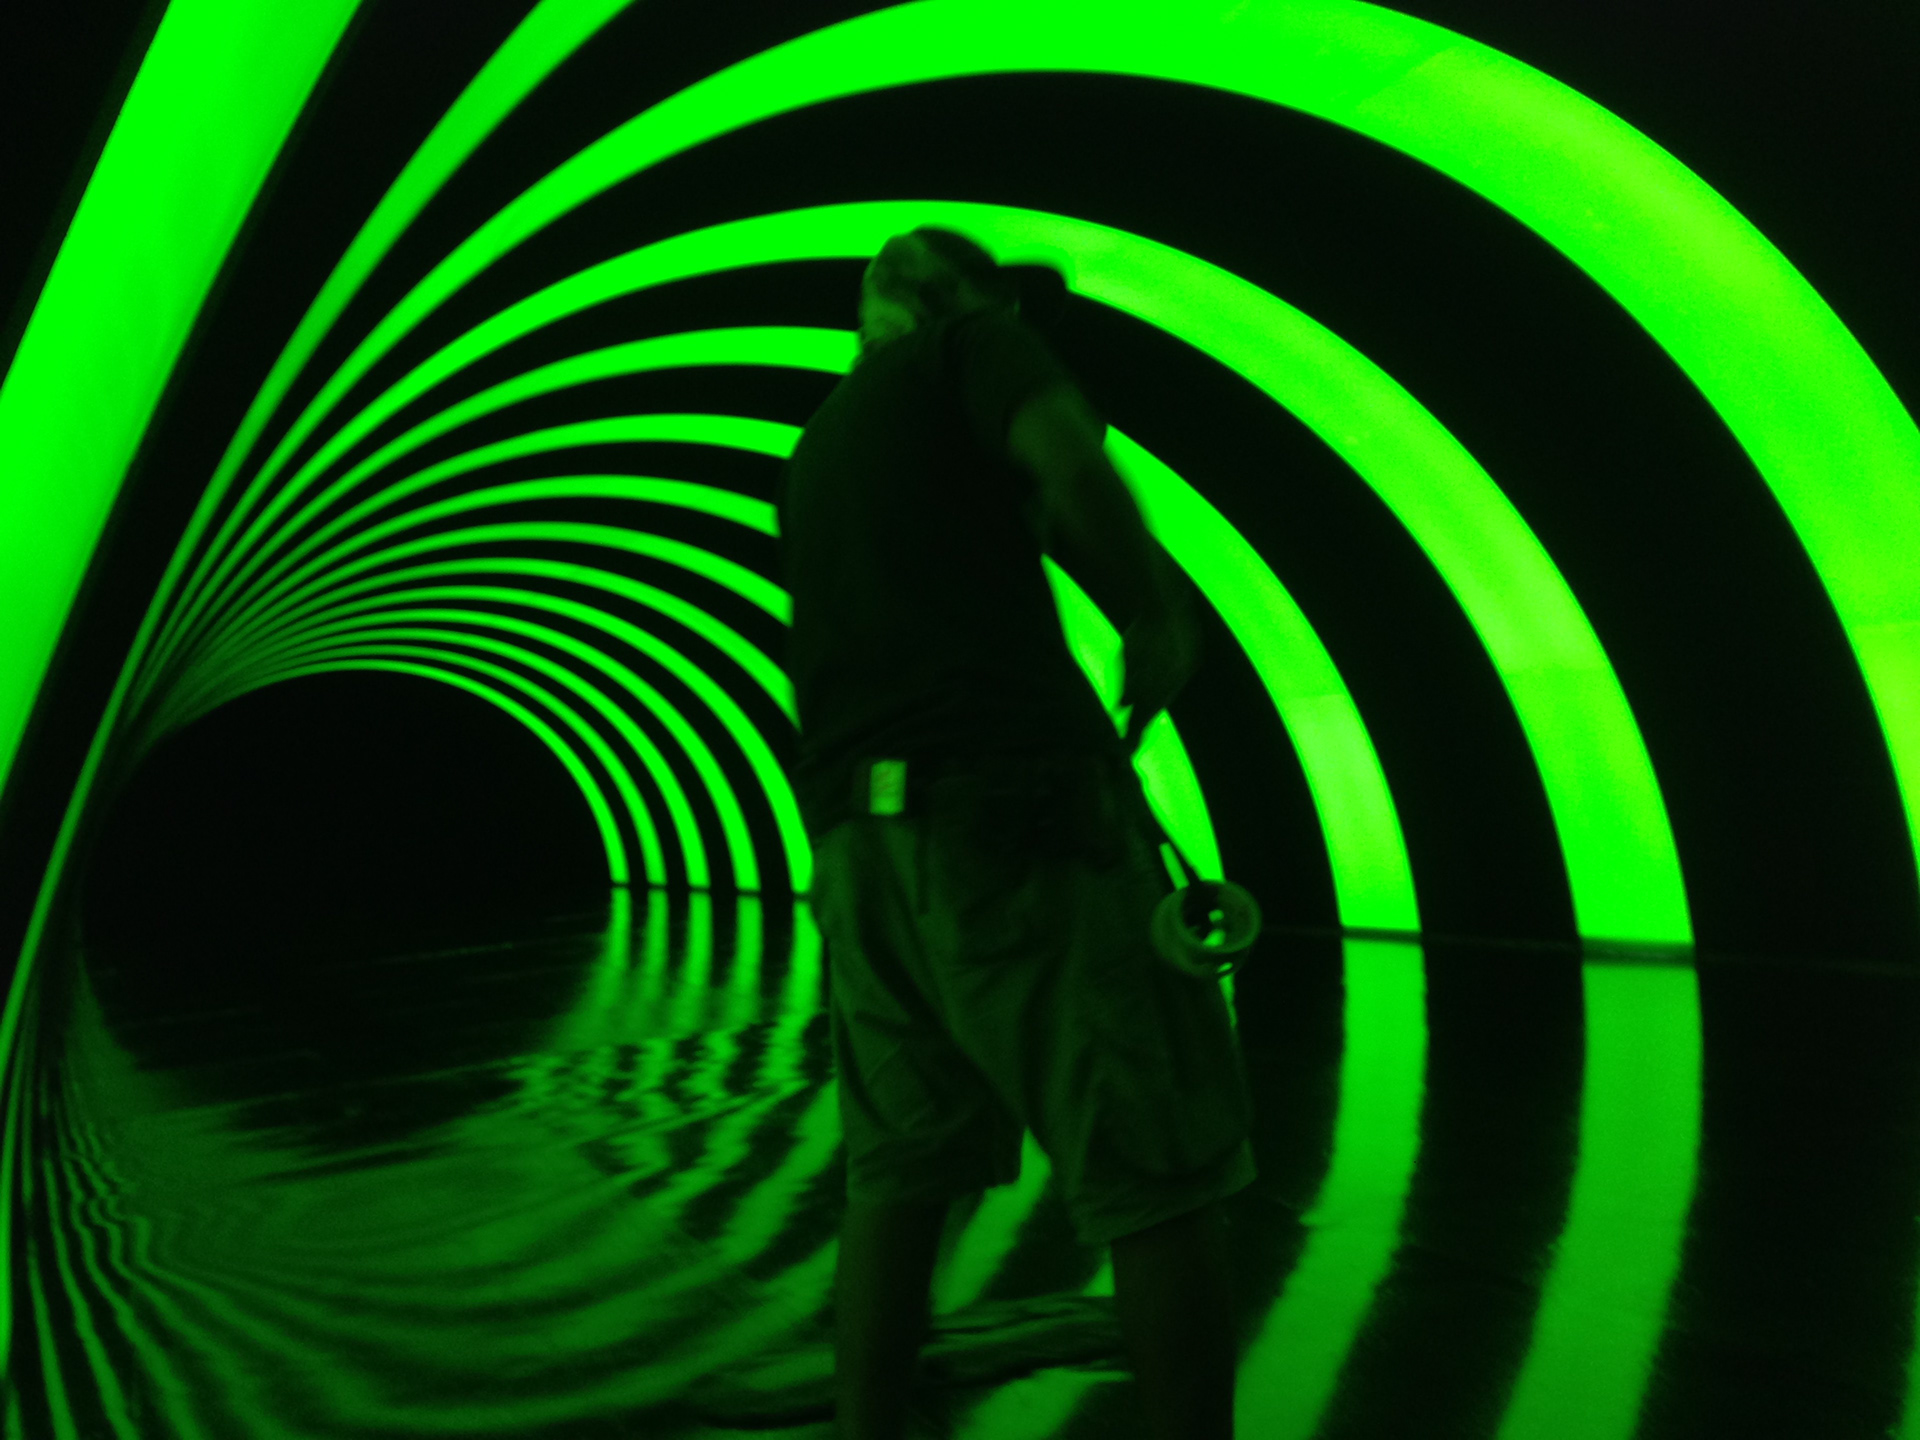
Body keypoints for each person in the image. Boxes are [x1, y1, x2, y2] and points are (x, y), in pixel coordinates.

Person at [774, 226, 1257, 1440]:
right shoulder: (971, 347)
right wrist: (1153, 609)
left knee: (899, 1173)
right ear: (953, 298)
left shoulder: (820, 445)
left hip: (859, 846)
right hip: (1010, 817)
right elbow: (1068, 462)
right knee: (1153, 1162)